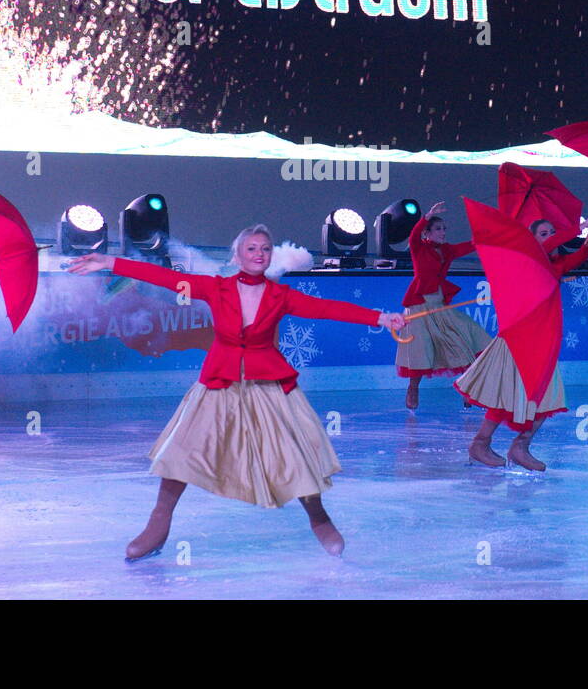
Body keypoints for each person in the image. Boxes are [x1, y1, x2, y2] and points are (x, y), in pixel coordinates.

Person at [68, 225, 406, 561]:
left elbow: (327, 308)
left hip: (268, 383)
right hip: (220, 380)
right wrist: (110, 262)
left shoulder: (281, 295)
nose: (259, 254)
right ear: (238, 255)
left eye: (265, 249)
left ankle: (319, 518)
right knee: (182, 449)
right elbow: (164, 277)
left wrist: (381, 317)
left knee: (294, 451)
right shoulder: (215, 288)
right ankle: (158, 524)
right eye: (252, 248)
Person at [454, 214, 588, 471]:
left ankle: (520, 446)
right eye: (543, 234)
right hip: (519, 338)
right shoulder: (529, 259)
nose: (549, 238)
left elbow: (578, 258)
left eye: (551, 233)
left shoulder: (554, 265)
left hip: (542, 341)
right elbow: (541, 248)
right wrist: (579, 227)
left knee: (547, 396)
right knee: (507, 395)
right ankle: (480, 443)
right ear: (532, 241)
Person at [396, 201, 492, 410]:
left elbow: (470, 245)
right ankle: (413, 388)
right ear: (427, 232)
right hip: (419, 305)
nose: (443, 232)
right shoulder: (419, 247)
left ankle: (469, 389)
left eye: (444, 229)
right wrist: (426, 217)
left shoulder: (446, 251)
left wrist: (487, 236)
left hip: (439, 304)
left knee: (467, 340)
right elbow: (413, 236)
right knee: (421, 350)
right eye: (438, 229)